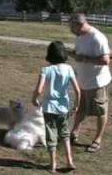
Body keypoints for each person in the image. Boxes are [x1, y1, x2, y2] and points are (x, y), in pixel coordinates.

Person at [32, 41, 81, 173]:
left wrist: (34, 99)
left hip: (48, 108)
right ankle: (70, 161)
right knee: (65, 134)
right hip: (63, 108)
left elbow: (40, 89)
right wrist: (76, 105)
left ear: (50, 54)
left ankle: (53, 164)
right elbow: (77, 90)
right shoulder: (69, 69)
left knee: (51, 136)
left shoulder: (46, 70)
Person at [68, 13, 112, 153]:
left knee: (100, 111)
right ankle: (74, 132)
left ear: (79, 24)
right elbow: (79, 53)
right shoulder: (80, 36)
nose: (70, 29)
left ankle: (97, 140)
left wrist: (84, 59)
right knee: (80, 108)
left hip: (97, 82)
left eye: (71, 26)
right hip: (83, 81)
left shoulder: (97, 37)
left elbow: (106, 60)